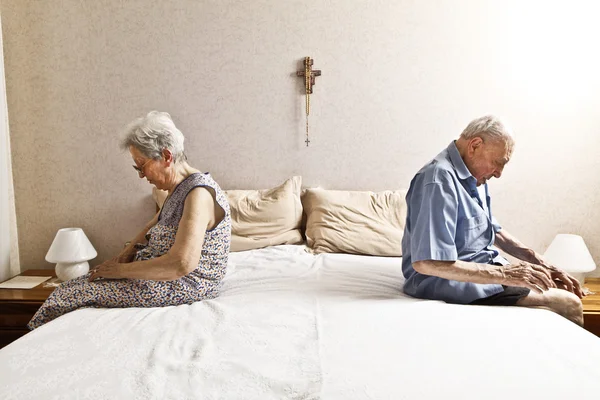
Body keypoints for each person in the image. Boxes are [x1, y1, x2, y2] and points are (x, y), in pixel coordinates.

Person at [29, 111, 231, 329]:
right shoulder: (179, 188)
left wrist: (120, 271)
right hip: (162, 276)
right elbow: (153, 224)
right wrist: (125, 254)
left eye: (141, 165)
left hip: (184, 284)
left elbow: (181, 263)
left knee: (68, 295)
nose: (141, 176)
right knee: (70, 287)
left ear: (166, 156)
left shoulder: (198, 194)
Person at [401, 115, 584, 325]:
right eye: (498, 163)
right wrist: (504, 274)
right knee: (570, 303)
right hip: (447, 282)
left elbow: (490, 230)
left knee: (556, 286)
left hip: (482, 271)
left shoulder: (473, 175)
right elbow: (427, 263)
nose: (498, 173)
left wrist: (543, 263)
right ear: (475, 145)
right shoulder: (438, 180)